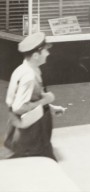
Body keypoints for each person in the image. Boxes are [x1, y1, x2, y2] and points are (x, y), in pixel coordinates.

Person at [4, 32, 66, 160]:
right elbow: (18, 107)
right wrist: (45, 101)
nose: (48, 54)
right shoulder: (29, 77)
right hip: (31, 136)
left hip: (29, 133)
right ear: (36, 55)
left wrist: (50, 107)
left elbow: (30, 98)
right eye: (45, 51)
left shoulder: (24, 69)